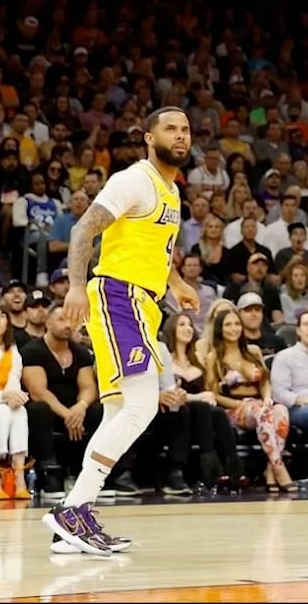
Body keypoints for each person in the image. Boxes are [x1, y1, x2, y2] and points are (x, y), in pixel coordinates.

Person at [41, 107, 198, 557]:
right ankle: (72, 510)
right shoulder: (134, 180)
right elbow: (84, 228)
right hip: (118, 297)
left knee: (117, 412)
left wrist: (176, 282)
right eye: (170, 129)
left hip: (143, 304)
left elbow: (157, 248)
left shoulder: (171, 191)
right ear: (149, 138)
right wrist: (75, 286)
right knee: (142, 406)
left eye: (185, 130)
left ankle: (72, 520)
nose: (180, 136)